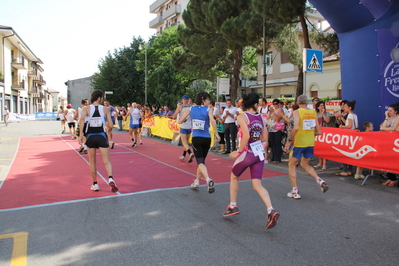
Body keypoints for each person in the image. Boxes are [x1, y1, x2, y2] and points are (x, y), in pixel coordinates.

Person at [223, 93, 279, 229]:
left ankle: (233, 205)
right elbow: (265, 137)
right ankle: (270, 210)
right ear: (255, 104)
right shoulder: (261, 117)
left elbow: (246, 136)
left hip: (247, 153)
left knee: (234, 177)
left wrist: (239, 151)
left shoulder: (242, 117)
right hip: (258, 152)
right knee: (257, 185)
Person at [284, 95, 328, 199]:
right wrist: (310, 134)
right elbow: (319, 131)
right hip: (310, 143)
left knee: (291, 164)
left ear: (298, 103)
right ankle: (319, 179)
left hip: (299, 142)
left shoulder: (297, 112)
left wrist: (289, 141)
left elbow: (295, 128)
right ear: (307, 102)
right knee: (305, 164)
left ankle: (295, 190)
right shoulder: (313, 112)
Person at [178, 91, 220, 193]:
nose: (209, 102)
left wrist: (183, 120)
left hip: (196, 138)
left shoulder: (191, 109)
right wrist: (217, 134)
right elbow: (213, 121)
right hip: (207, 138)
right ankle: (196, 181)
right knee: (201, 162)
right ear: (203, 100)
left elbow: (179, 121)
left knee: (200, 162)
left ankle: (208, 179)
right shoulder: (208, 110)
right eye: (208, 100)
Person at [78, 90, 118, 192]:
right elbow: (110, 124)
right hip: (102, 136)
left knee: (92, 161)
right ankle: (110, 178)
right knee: (107, 161)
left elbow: (81, 120)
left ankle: (95, 183)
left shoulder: (86, 108)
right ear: (99, 98)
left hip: (90, 136)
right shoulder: (105, 109)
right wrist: (105, 124)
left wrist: (80, 135)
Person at [335, 100, 358, 176]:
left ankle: (345, 170)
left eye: (345, 106)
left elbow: (349, 126)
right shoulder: (354, 115)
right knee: (350, 153)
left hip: (348, 136)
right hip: (353, 135)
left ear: (349, 107)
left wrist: (342, 126)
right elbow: (351, 124)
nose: (344, 108)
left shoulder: (350, 115)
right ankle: (349, 170)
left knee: (345, 153)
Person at [379, 103, 399, 186]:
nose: (389, 112)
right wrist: (386, 117)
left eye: (391, 111)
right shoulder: (389, 118)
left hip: (396, 142)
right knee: (388, 159)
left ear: (395, 111)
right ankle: (391, 178)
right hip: (389, 142)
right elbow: (383, 126)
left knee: (394, 160)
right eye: (388, 110)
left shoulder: (398, 118)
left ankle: (394, 179)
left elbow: (393, 128)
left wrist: (384, 128)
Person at [173, 95, 194, 162]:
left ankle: (190, 153)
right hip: (189, 127)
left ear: (182, 100)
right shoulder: (192, 107)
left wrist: (176, 114)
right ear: (188, 100)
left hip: (183, 126)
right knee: (186, 143)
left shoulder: (180, 107)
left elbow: (174, 116)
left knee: (184, 143)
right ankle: (183, 155)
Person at [267, 99, 285, 163]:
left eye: (276, 103)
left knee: (277, 143)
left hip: (278, 129)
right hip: (271, 128)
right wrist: (270, 112)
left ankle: (277, 158)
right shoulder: (272, 110)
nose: (275, 105)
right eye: (274, 104)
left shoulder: (280, 110)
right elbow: (268, 118)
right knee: (272, 143)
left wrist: (273, 112)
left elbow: (277, 119)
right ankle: (273, 156)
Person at [314, 101, 331, 170]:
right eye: (320, 105)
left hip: (325, 132)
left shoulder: (327, 113)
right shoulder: (315, 113)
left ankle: (324, 164)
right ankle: (320, 162)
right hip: (317, 131)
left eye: (323, 105)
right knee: (318, 147)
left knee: (324, 148)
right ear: (317, 107)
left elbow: (327, 121)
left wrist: (323, 114)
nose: (322, 107)